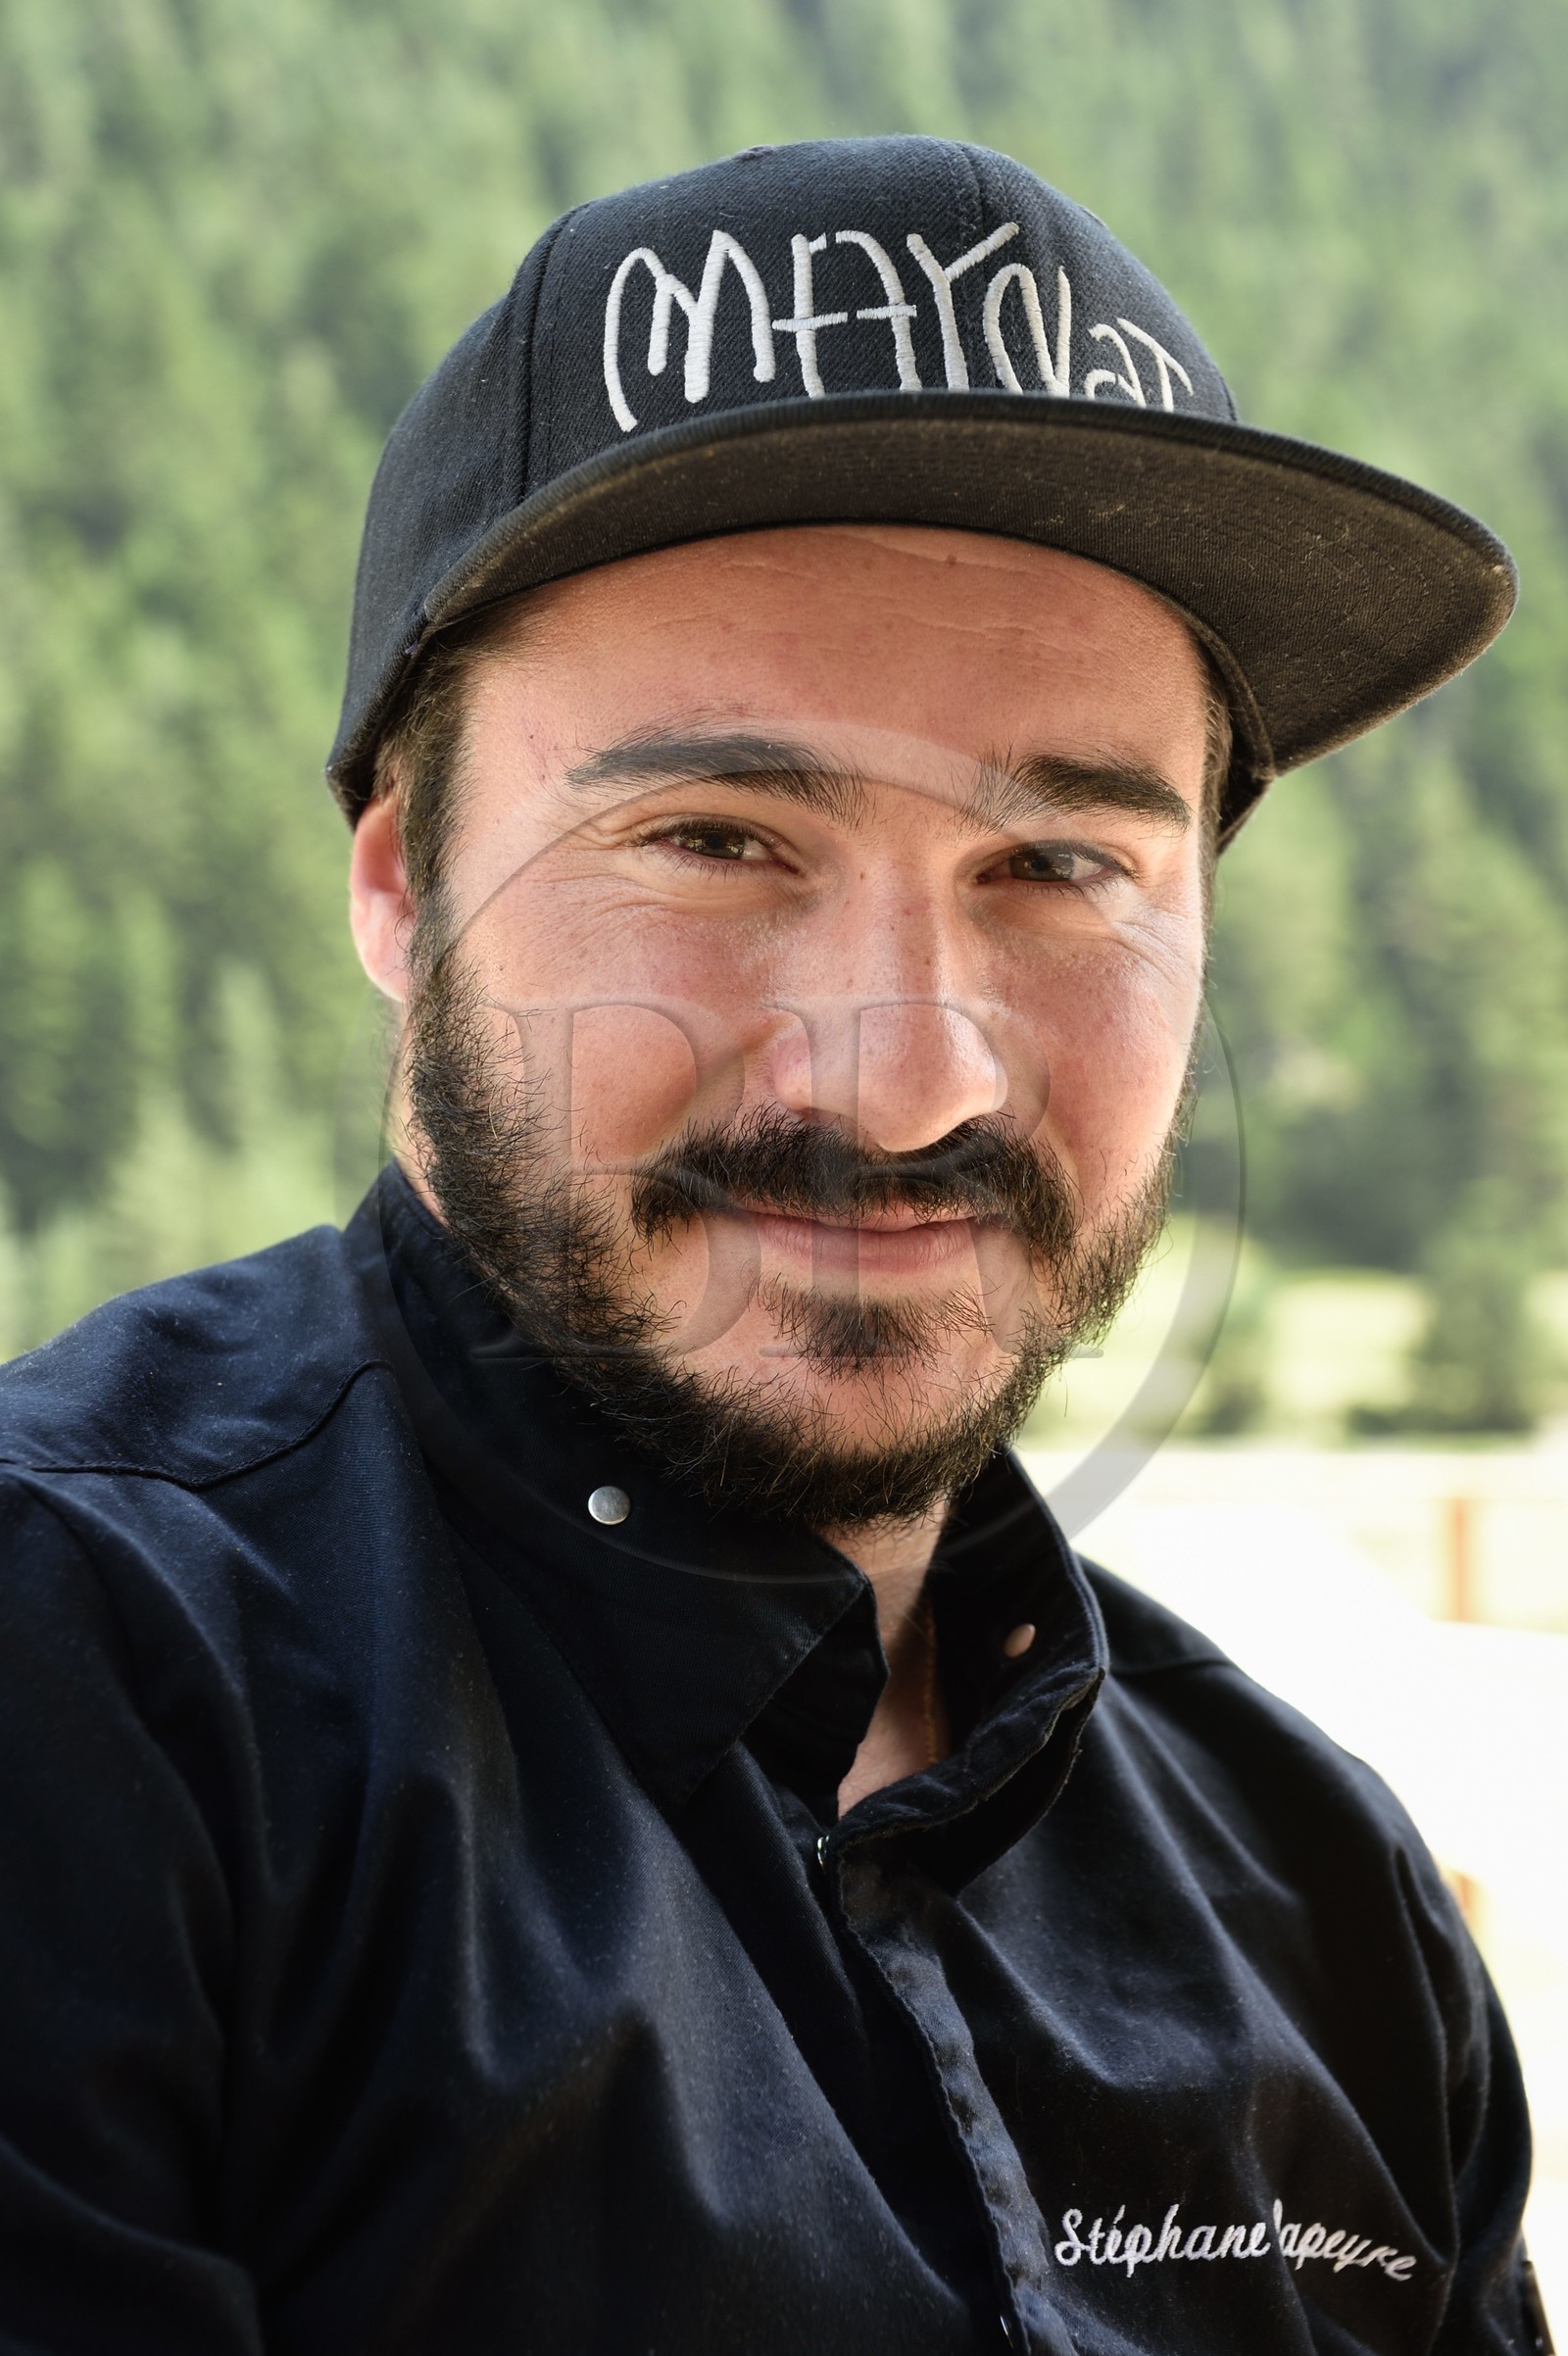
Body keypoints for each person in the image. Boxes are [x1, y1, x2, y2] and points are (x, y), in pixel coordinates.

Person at [0, 135, 1550, 2355]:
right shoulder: (90, 1694)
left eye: (1058, 866)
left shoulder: (1315, 1885)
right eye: (713, 836)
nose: (900, 1077)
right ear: (394, 883)